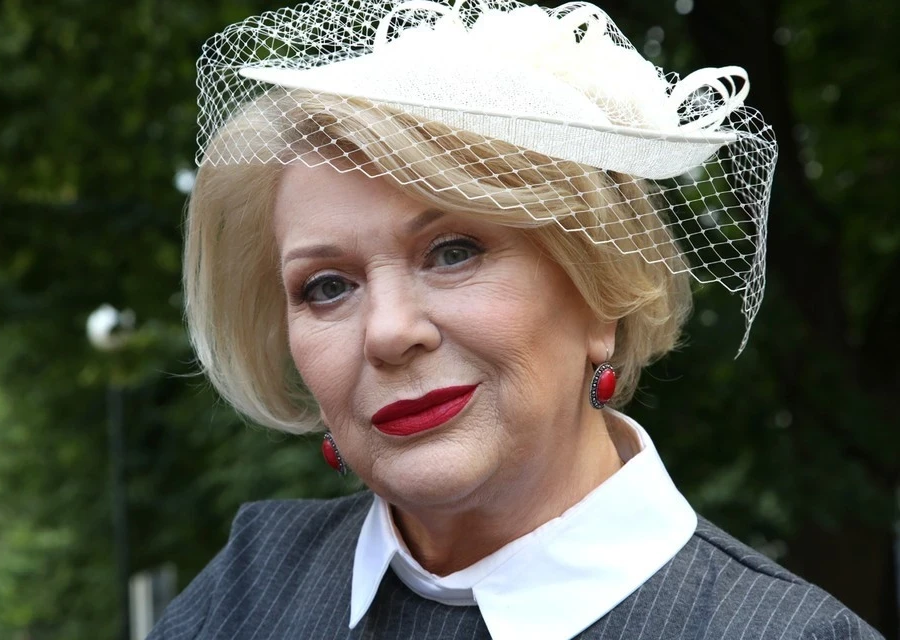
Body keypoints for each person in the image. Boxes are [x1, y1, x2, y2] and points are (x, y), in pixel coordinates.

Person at [149, 0, 884, 638]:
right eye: (327, 287)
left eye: (454, 252)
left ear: (600, 293)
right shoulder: (252, 582)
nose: (389, 332)